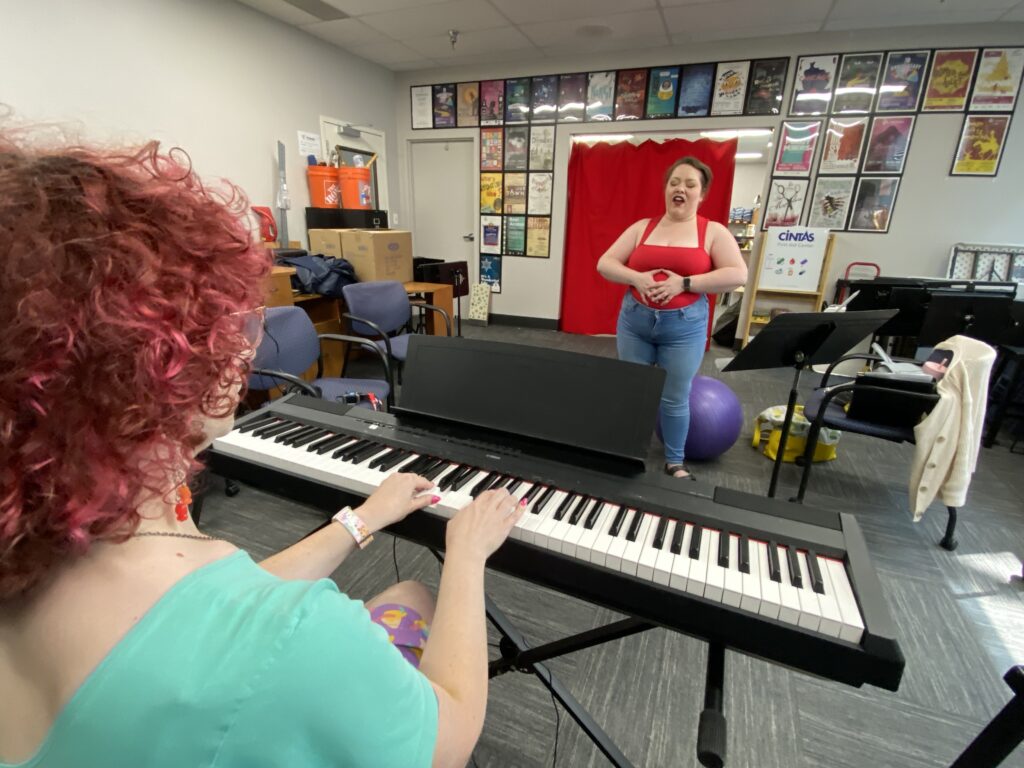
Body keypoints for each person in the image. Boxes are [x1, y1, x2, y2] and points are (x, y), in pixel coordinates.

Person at [0, 133, 524, 767]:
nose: (248, 347)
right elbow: (450, 732)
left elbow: (204, 616)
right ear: (158, 365)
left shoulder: (43, 542)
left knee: (404, 596)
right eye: (232, 323)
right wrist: (465, 554)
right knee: (423, 595)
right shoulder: (297, 644)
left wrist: (361, 521)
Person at [597, 156, 747, 479]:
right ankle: (627, 449)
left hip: (684, 327)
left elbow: (737, 274)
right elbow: (605, 263)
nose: (681, 189)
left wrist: (685, 283)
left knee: (675, 396)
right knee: (633, 390)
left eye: (690, 184)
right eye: (674, 182)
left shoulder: (712, 232)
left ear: (701, 193)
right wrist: (636, 278)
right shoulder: (642, 227)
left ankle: (675, 461)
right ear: (666, 189)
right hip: (635, 321)